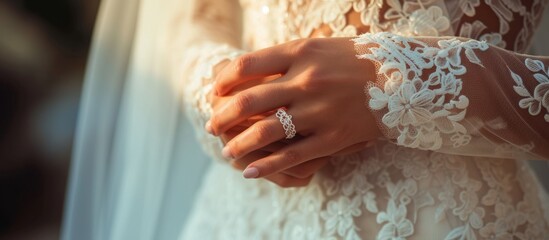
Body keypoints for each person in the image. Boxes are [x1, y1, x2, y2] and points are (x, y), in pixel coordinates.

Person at [62, 0, 549, 239]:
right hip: (239, 216)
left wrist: (398, 78)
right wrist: (228, 100)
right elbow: (196, 15)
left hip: (441, 219)